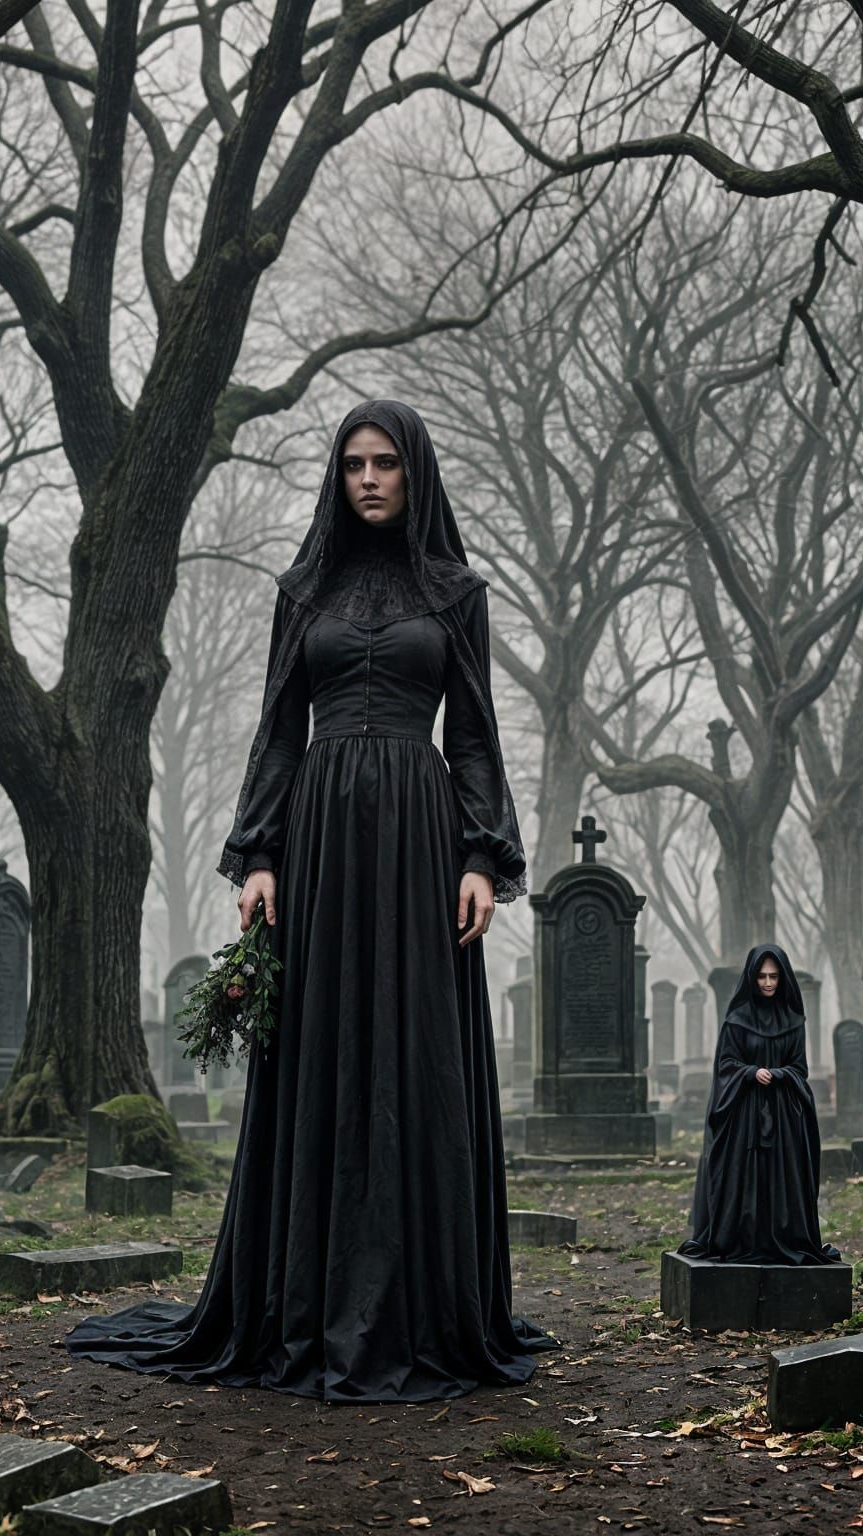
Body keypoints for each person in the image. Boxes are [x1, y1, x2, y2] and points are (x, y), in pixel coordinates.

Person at [66, 400, 553, 1402]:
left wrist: (480, 858)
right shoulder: (304, 590)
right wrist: (259, 858)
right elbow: (280, 729)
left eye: (385, 464)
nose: (368, 479)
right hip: (321, 844)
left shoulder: (456, 591)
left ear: (415, 473)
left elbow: (473, 738)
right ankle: (303, 1299)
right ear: (337, 479)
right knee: (323, 1049)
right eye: (352, 466)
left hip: (420, 846)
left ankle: (423, 1304)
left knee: (413, 1057)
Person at [680, 943, 841, 1266]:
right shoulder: (737, 1021)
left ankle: (781, 1238)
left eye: (774, 977)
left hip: (782, 1114)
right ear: (752, 979)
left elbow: (800, 1069)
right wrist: (751, 1072)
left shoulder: (794, 1021)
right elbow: (726, 1064)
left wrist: (779, 1074)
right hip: (744, 1113)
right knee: (744, 1175)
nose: (768, 983)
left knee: (781, 1178)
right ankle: (742, 1236)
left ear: (783, 979)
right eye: (762, 977)